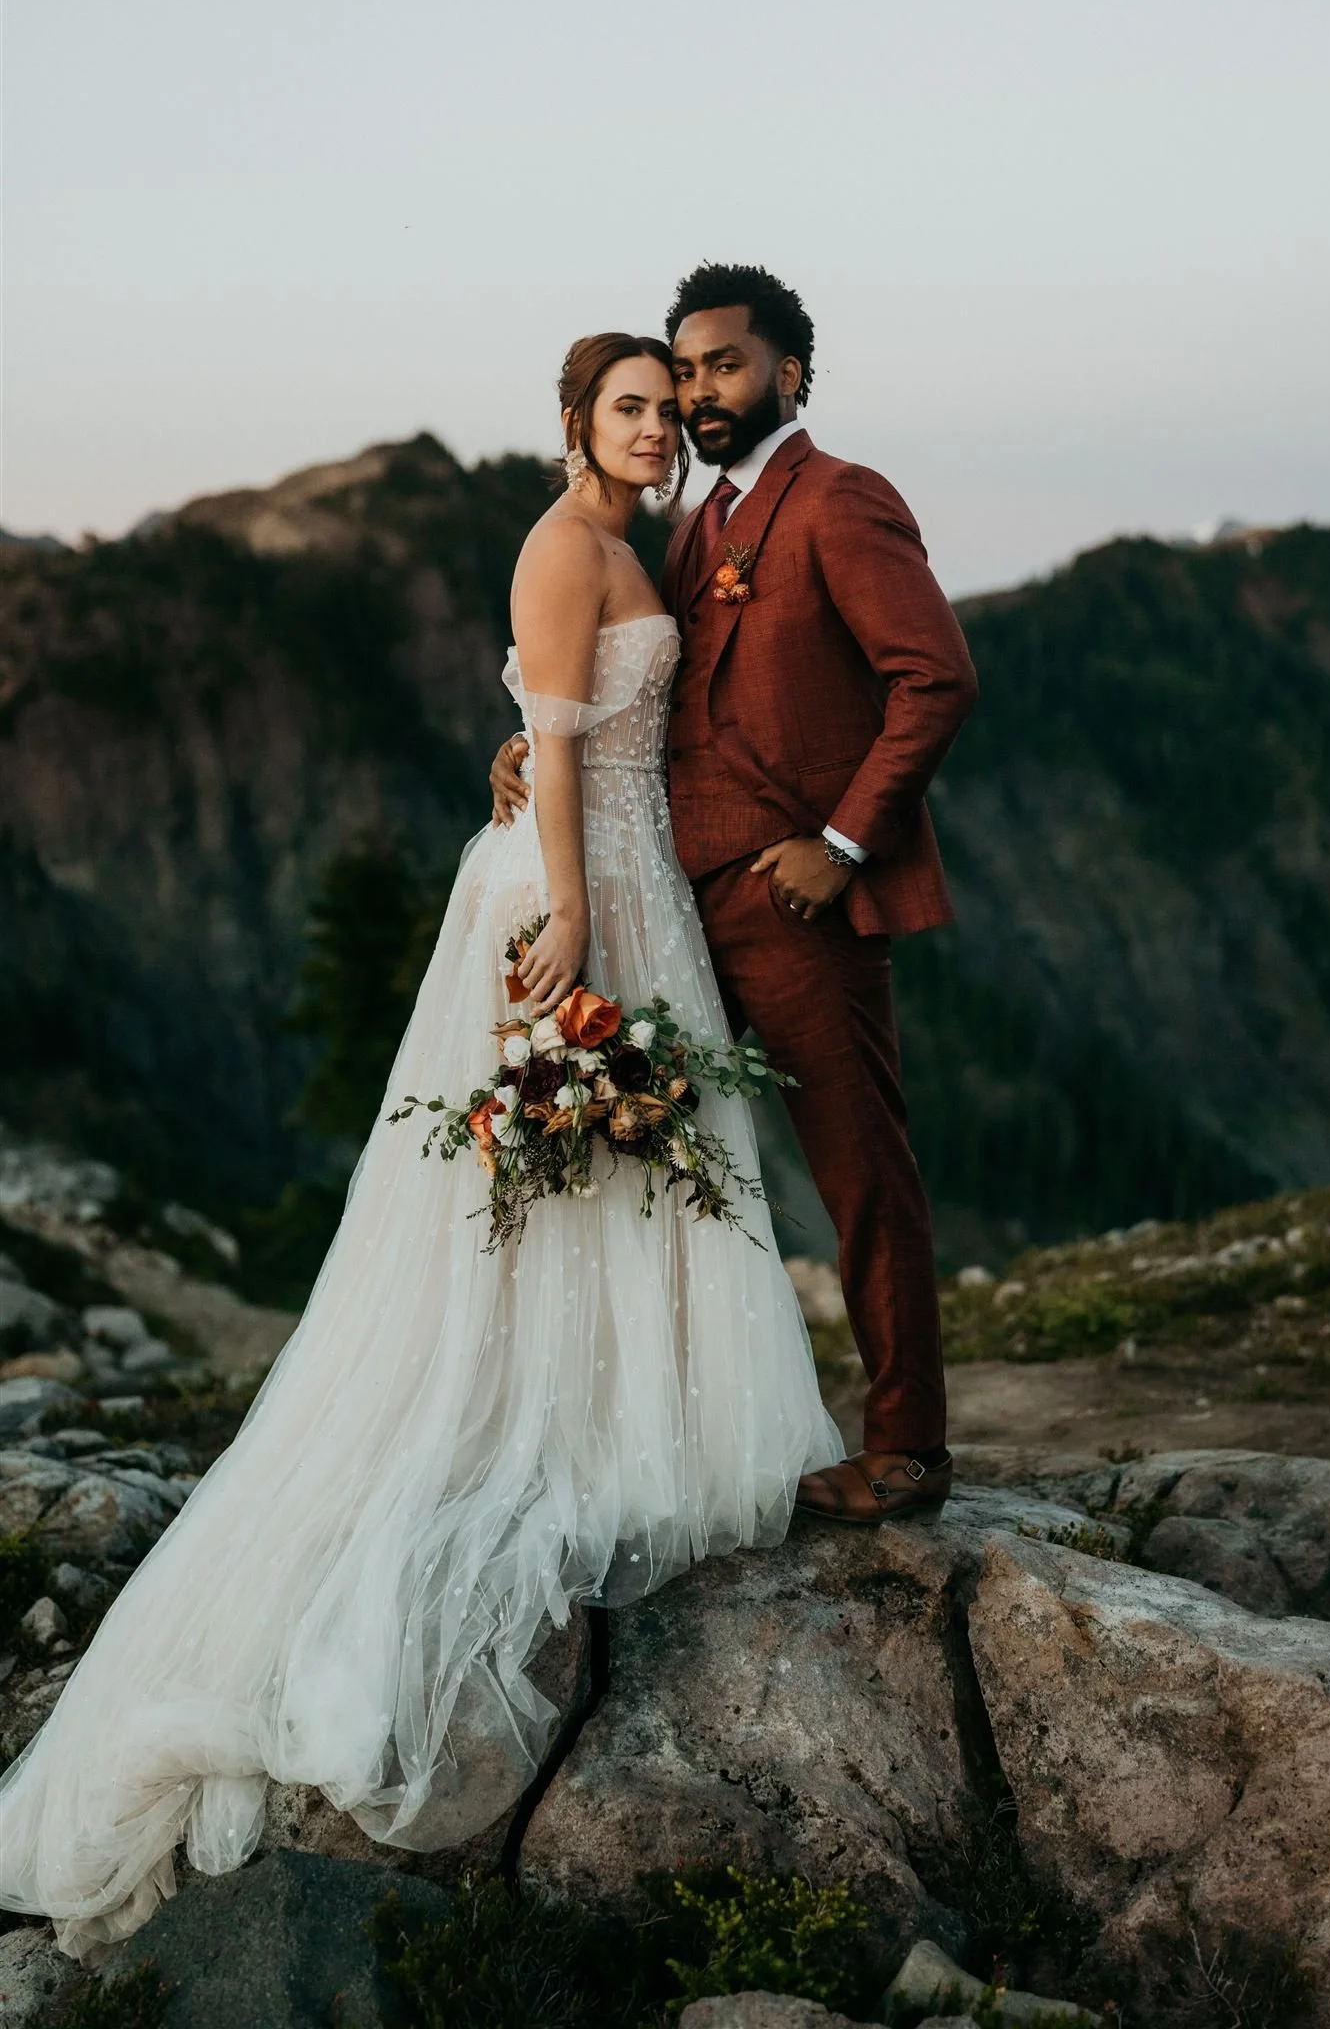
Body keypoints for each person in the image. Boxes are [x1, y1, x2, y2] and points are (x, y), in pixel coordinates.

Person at [0, 332, 841, 1963]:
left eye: (671, 407)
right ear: (577, 422)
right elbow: (558, 726)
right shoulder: (558, 541)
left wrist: (554, 787)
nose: (659, 427)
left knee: (623, 1171)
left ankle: (618, 1397)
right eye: (632, 407)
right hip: (571, 891)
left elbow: (571, 720)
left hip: (622, 872)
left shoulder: (633, 541)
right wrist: (579, 905)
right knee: (558, 1179)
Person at [492, 265, 978, 1526]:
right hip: (674, 900)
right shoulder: (693, 524)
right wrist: (534, 745)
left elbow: (935, 678)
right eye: (686, 370)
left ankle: (909, 1444)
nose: (699, 393)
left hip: (796, 903)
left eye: (725, 366)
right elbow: (641, 701)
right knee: (655, 1169)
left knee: (860, 1167)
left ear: (789, 374)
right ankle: (642, 1434)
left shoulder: (840, 501)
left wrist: (843, 844)